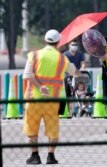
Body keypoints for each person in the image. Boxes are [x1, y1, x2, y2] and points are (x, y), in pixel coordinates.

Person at [23, 29, 77, 165]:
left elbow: (27, 75)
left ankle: (35, 156)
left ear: (45, 40)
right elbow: (74, 72)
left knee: (31, 129)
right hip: (53, 101)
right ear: (59, 42)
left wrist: (40, 86)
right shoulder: (62, 58)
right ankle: (50, 156)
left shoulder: (34, 55)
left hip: (33, 99)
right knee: (52, 129)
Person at [63, 39, 86, 115]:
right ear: (69, 46)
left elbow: (83, 63)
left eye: (76, 45)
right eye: (73, 45)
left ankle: (81, 107)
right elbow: (64, 65)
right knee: (68, 94)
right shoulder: (65, 54)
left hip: (77, 75)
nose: (74, 46)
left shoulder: (80, 54)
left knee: (80, 91)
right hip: (68, 75)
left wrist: (82, 69)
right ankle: (68, 110)